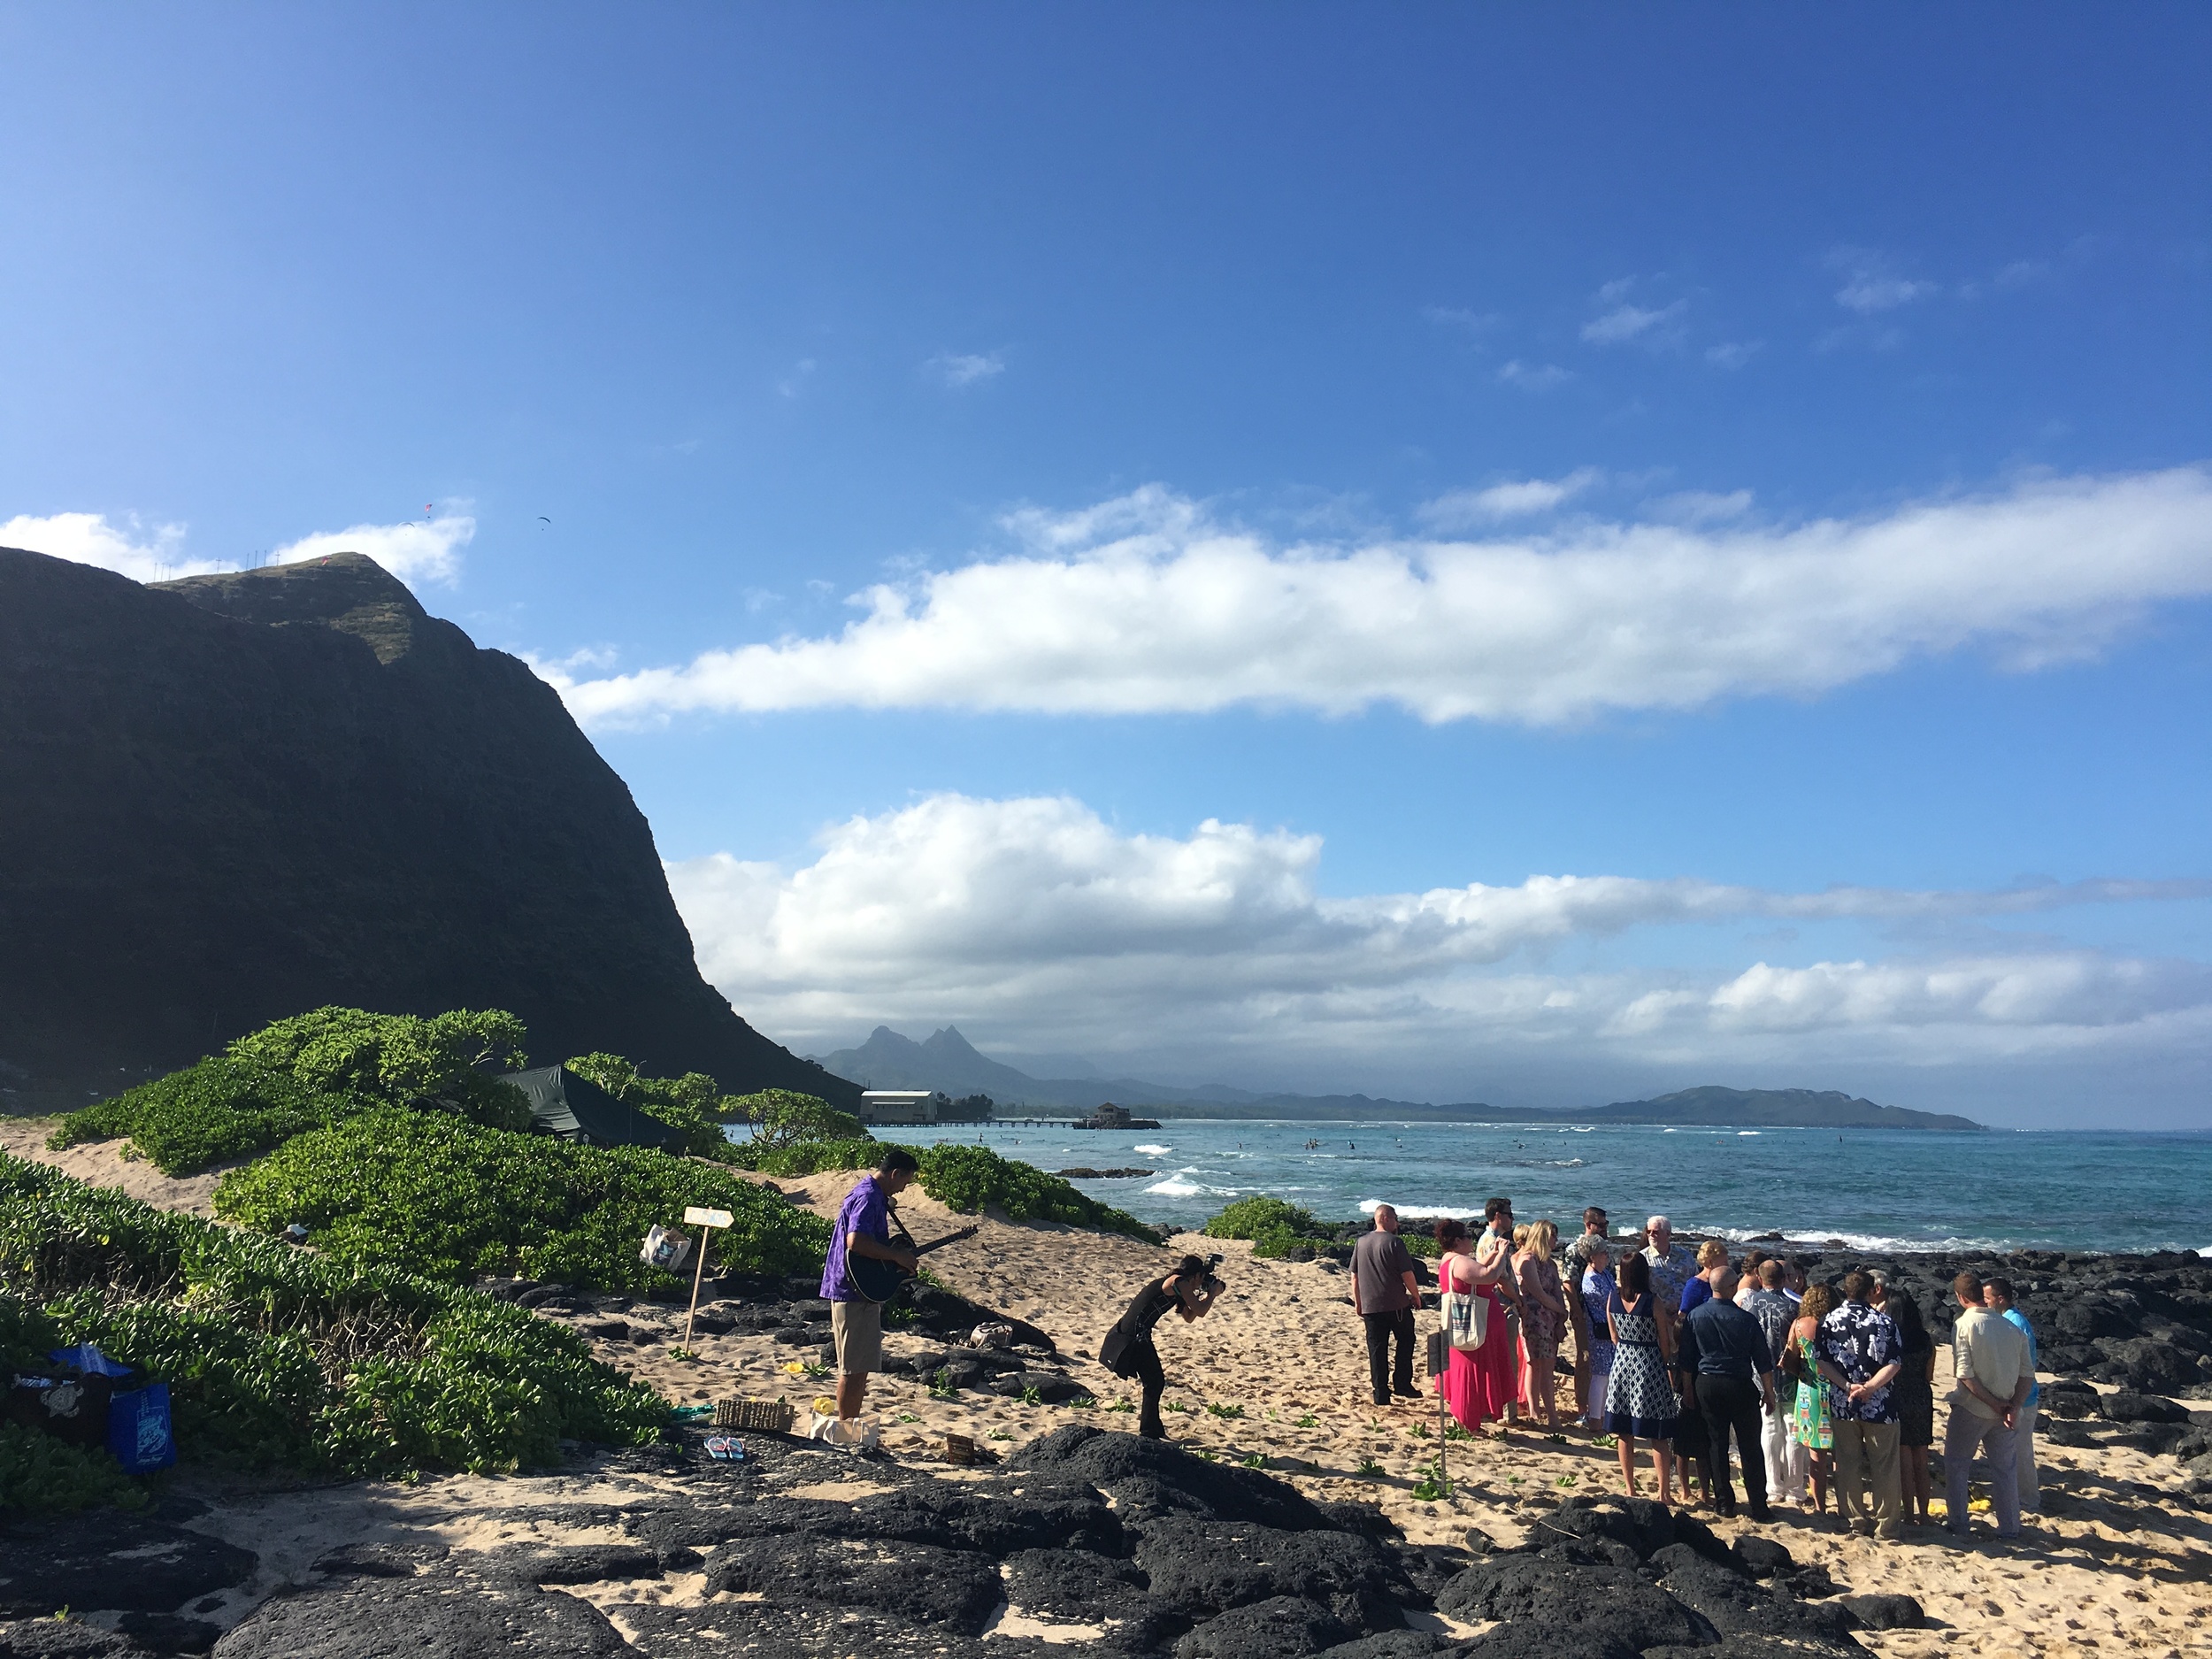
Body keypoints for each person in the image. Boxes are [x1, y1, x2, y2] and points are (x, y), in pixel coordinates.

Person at [820, 1149, 921, 1432]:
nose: (904, 1187)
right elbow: (856, 1242)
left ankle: (849, 1427)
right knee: (853, 1371)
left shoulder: (874, 1196)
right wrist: (896, 1257)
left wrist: (895, 1253)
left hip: (857, 1290)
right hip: (851, 1291)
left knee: (859, 1367)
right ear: (894, 1174)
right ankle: (847, 1430)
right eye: (905, 1181)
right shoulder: (867, 1196)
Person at [1679, 1265, 1779, 1520]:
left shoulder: (1695, 1316)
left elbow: (1687, 1360)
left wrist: (1688, 1390)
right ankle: (1758, 1504)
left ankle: (1724, 1503)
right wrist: (1769, 1392)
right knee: (1750, 1447)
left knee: (1716, 1444)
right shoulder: (1745, 1319)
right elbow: (1762, 1360)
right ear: (1732, 1288)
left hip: (1708, 1383)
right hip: (1739, 1383)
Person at [1816, 1270, 1905, 1539]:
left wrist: (1846, 1386)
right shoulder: (1884, 1322)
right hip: (1880, 1404)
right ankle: (1885, 1525)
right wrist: (1870, 1388)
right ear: (1870, 1291)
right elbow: (1894, 1363)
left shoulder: (1829, 1321)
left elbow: (1821, 1361)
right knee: (1885, 1465)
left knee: (1847, 1463)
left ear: (1845, 1290)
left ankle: (1854, 1519)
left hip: (1844, 1402)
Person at [1944, 1271, 2029, 1540]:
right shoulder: (2012, 1328)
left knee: (1957, 1466)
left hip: (1973, 1407)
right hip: (2005, 1408)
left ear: (1960, 1297)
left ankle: (1958, 1522)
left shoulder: (1964, 1325)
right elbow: (2027, 1375)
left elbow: (1965, 1374)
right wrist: (2012, 1406)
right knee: (2005, 1470)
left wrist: (1995, 1403)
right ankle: (2010, 1527)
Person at [1098, 1253, 1222, 1439]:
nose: (1202, 1282)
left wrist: (1204, 1295)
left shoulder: (1179, 1285)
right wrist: (1212, 1294)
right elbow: (1201, 1311)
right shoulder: (1179, 1282)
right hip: (1134, 1337)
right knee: (1154, 1382)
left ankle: (1152, 1429)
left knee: (1154, 1382)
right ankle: (1149, 1431)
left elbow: (1189, 1317)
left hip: (1134, 1334)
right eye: (1202, 1278)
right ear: (1195, 1276)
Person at [1605, 1249, 1677, 1502]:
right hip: (1648, 1363)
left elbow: (1614, 1336)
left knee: (1624, 1429)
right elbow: (1664, 1339)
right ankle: (1663, 1492)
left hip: (1623, 1362)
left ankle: (1630, 1487)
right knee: (1657, 1431)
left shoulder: (1612, 1298)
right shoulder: (1651, 1301)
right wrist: (1666, 1362)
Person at [1434, 1217, 1515, 1438]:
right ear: (1458, 1240)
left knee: (1468, 1369)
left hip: (1471, 1322)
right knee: (1471, 1371)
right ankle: (1469, 1422)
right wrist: (1501, 1255)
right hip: (1475, 1324)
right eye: (1468, 1237)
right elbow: (1487, 1275)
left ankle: (1467, 1419)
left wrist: (1493, 1253)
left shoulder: (1452, 1260)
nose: (1471, 1240)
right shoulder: (1459, 1261)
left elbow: (1479, 1268)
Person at [1746, 1258, 1808, 1509]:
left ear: (1760, 1279)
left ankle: (1773, 1487)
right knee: (1793, 1431)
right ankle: (1794, 1488)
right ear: (1784, 1278)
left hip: (1760, 1376)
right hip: (1791, 1375)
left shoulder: (1749, 1303)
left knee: (1770, 1429)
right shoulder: (1797, 1304)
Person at [1352, 1204, 1423, 1407]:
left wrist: (1358, 1301)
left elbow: (1354, 1276)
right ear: (1384, 1218)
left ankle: (1381, 1392)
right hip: (1395, 1304)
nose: (1397, 1222)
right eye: (1394, 1218)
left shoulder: (1361, 1242)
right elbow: (1407, 1274)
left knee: (1377, 1348)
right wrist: (1416, 1295)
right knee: (1406, 1339)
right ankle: (1402, 1383)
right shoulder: (1395, 1242)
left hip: (1371, 1305)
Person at [1880, 1278, 1937, 1525]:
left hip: (1898, 1397)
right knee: (1921, 1463)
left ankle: (1909, 1514)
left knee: (1904, 1463)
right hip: (1922, 1397)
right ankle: (1924, 1514)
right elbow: (1929, 1375)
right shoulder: (1925, 1340)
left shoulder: (1892, 1340)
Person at [1985, 1278, 2041, 1516]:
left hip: (2023, 1398)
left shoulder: (2015, 1323)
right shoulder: (2002, 1319)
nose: (1984, 1303)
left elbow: (2024, 1365)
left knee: (2021, 1451)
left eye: (1987, 1299)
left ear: (2000, 1299)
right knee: (2009, 1450)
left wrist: (2016, 1401)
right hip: (2011, 1395)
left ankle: (2029, 1499)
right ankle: (2014, 1494)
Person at [1787, 1283, 1837, 1515]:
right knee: (1841, 1453)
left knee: (1816, 1455)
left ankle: (1820, 1506)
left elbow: (1791, 1352)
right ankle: (1845, 1503)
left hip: (1810, 1390)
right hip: (1836, 1389)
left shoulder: (1799, 1325)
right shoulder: (1836, 1326)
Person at [1515, 1219, 1566, 1430]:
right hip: (1534, 1318)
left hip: (1550, 1318)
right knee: (1537, 1364)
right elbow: (1539, 1294)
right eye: (1552, 1236)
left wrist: (1561, 1316)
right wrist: (1560, 1310)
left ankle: (1542, 1411)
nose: (1555, 1240)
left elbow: (1556, 1292)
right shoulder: (1528, 1261)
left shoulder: (1549, 1263)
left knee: (1546, 1365)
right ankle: (1542, 1413)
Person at [1477, 1198, 1525, 1425]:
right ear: (1497, 1215)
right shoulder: (1492, 1241)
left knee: (1500, 1358)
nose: (1511, 1218)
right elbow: (1501, 1279)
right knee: (1507, 1360)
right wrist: (1519, 1301)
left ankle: (1499, 1409)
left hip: (1498, 1305)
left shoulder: (1491, 1240)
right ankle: (1507, 1412)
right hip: (1502, 1305)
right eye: (1508, 1214)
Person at [1563, 1207, 1611, 1423]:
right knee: (1585, 1358)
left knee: (1601, 1361)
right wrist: (1576, 1312)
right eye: (1600, 1224)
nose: (1604, 1228)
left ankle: (1597, 1408)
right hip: (1585, 1312)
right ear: (1589, 1224)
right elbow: (1568, 1283)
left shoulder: (1602, 1247)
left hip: (1600, 1313)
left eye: (1606, 1224)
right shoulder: (1575, 1250)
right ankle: (1583, 1408)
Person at [1578, 1240, 1617, 1429]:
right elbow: (1606, 1302)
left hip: (1609, 1329)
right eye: (1603, 1253)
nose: (1607, 1256)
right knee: (1600, 1375)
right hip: (1599, 1329)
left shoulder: (1605, 1274)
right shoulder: (1591, 1279)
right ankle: (1595, 1419)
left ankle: (1602, 1416)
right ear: (1593, 1256)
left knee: (1608, 1374)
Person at [1643, 1217, 1701, 1337]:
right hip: (1656, 1322)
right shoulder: (1642, 1259)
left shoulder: (1685, 1257)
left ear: (1668, 1233)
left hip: (1684, 1319)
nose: (1651, 1235)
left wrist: (1683, 1314)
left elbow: (1695, 1285)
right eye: (1649, 1232)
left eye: (1656, 1232)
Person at [1679, 1240, 1732, 1318]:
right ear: (1710, 1262)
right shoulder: (1695, 1285)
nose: (1727, 1265)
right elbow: (1683, 1314)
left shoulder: (1724, 1282)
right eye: (1724, 1262)